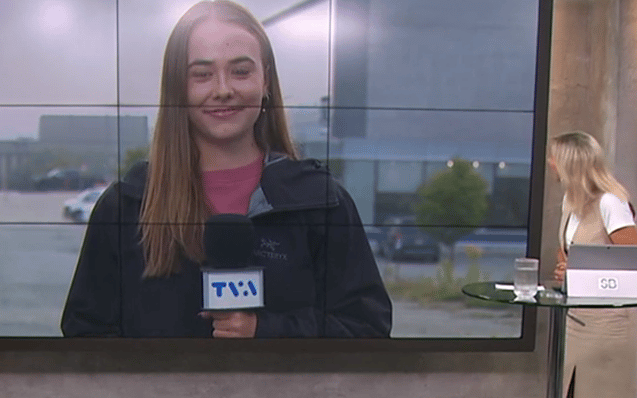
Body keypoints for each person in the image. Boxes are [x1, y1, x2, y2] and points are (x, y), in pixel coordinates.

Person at [61, 0, 391, 338]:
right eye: (202, 75)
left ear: (265, 82)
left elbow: (366, 327)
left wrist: (265, 331)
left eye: (241, 71)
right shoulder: (126, 206)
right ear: (178, 88)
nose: (222, 89)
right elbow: (84, 337)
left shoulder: (321, 203)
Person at [513, 131, 637, 398]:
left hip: (609, 321)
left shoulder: (612, 204)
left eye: (554, 158)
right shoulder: (573, 204)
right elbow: (571, 254)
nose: (550, 164)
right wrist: (565, 266)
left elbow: (632, 262)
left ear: (570, 162)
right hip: (577, 315)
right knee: (567, 395)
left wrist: (580, 266)